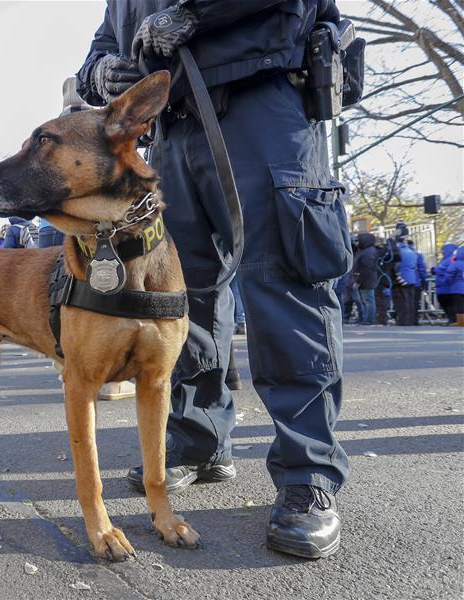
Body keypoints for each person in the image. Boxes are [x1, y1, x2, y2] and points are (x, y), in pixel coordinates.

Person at [77, 0, 353, 558]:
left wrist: (195, 14)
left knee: (283, 287)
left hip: (262, 106)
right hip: (171, 133)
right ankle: (198, 439)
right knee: (180, 299)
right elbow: (105, 42)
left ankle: (308, 476)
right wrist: (100, 73)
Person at [352, 233, 379, 325]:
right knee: (366, 300)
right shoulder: (366, 250)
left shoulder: (368, 252)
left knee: (368, 300)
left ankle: (368, 320)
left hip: (366, 280)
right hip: (366, 280)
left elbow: (366, 268)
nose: (356, 243)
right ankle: (366, 319)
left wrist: (358, 281)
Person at [435, 243, 464, 325]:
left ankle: (455, 320)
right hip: (449, 287)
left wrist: (436, 270)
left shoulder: (452, 261)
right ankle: (455, 320)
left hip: (449, 287)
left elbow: (448, 273)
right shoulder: (451, 260)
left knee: (453, 305)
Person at [394, 240, 420, 326]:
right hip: (412, 278)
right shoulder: (412, 252)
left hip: (402, 278)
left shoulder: (398, 252)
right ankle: (410, 320)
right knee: (410, 300)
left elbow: (396, 267)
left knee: (402, 301)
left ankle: (403, 320)